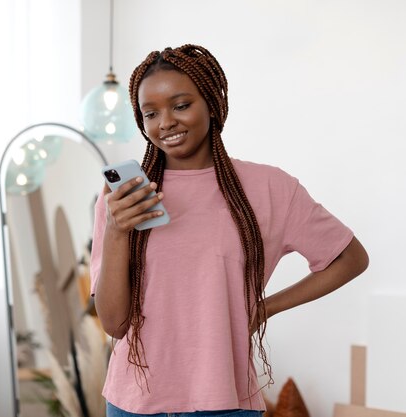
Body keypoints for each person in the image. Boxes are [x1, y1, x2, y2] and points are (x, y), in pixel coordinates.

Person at [89, 44, 369, 417]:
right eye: (150, 113)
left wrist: (264, 308)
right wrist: (117, 232)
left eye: (181, 105)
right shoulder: (124, 198)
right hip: (132, 404)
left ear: (211, 103)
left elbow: (349, 258)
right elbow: (114, 324)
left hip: (226, 402)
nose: (165, 122)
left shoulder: (270, 188)